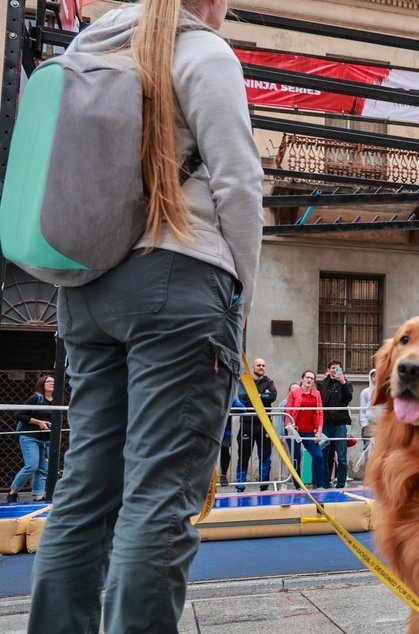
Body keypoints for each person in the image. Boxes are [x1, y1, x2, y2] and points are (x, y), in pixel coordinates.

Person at [28, 0, 263, 631]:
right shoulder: (204, 52)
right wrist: (241, 302)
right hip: (180, 280)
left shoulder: (88, 48)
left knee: (84, 491)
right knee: (158, 497)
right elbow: (239, 185)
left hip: (86, 287)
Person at [7, 376, 55, 503]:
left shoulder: (57, 400)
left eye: (54, 381)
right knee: (31, 466)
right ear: (42, 384)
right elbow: (19, 414)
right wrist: (38, 422)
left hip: (46, 438)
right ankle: (12, 493)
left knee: (43, 469)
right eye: (48, 381)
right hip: (30, 436)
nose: (52, 383)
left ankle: (38, 496)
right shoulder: (36, 398)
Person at [235, 357, 277, 491]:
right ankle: (240, 485)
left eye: (263, 365)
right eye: (258, 365)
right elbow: (244, 398)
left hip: (264, 424)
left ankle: (264, 485)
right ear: (253, 367)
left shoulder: (269, 382)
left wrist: (257, 396)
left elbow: (272, 397)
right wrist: (262, 395)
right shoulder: (245, 381)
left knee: (265, 456)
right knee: (243, 455)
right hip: (247, 423)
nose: (261, 367)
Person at [286, 371, 326, 489]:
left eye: (312, 378)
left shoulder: (317, 393)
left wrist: (319, 431)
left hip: (309, 431)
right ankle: (298, 486)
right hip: (295, 430)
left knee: (318, 456)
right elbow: (288, 410)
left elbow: (320, 412)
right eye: (307, 377)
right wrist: (288, 427)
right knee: (296, 458)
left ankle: (319, 485)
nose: (309, 380)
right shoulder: (294, 392)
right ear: (302, 379)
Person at [318, 360, 353, 489]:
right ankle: (326, 483)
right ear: (328, 369)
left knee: (342, 455)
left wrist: (343, 382)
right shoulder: (323, 383)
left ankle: (341, 484)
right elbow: (322, 400)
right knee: (326, 454)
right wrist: (326, 381)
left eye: (338, 369)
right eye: (333, 368)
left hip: (340, 424)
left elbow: (348, 398)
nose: (335, 371)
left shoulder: (346, 383)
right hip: (326, 424)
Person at [359, 370, 379, 449]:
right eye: (373, 376)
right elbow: (362, 411)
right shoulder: (365, 392)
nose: (375, 378)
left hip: (382, 425)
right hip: (369, 426)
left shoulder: (386, 392)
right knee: (369, 451)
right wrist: (364, 425)